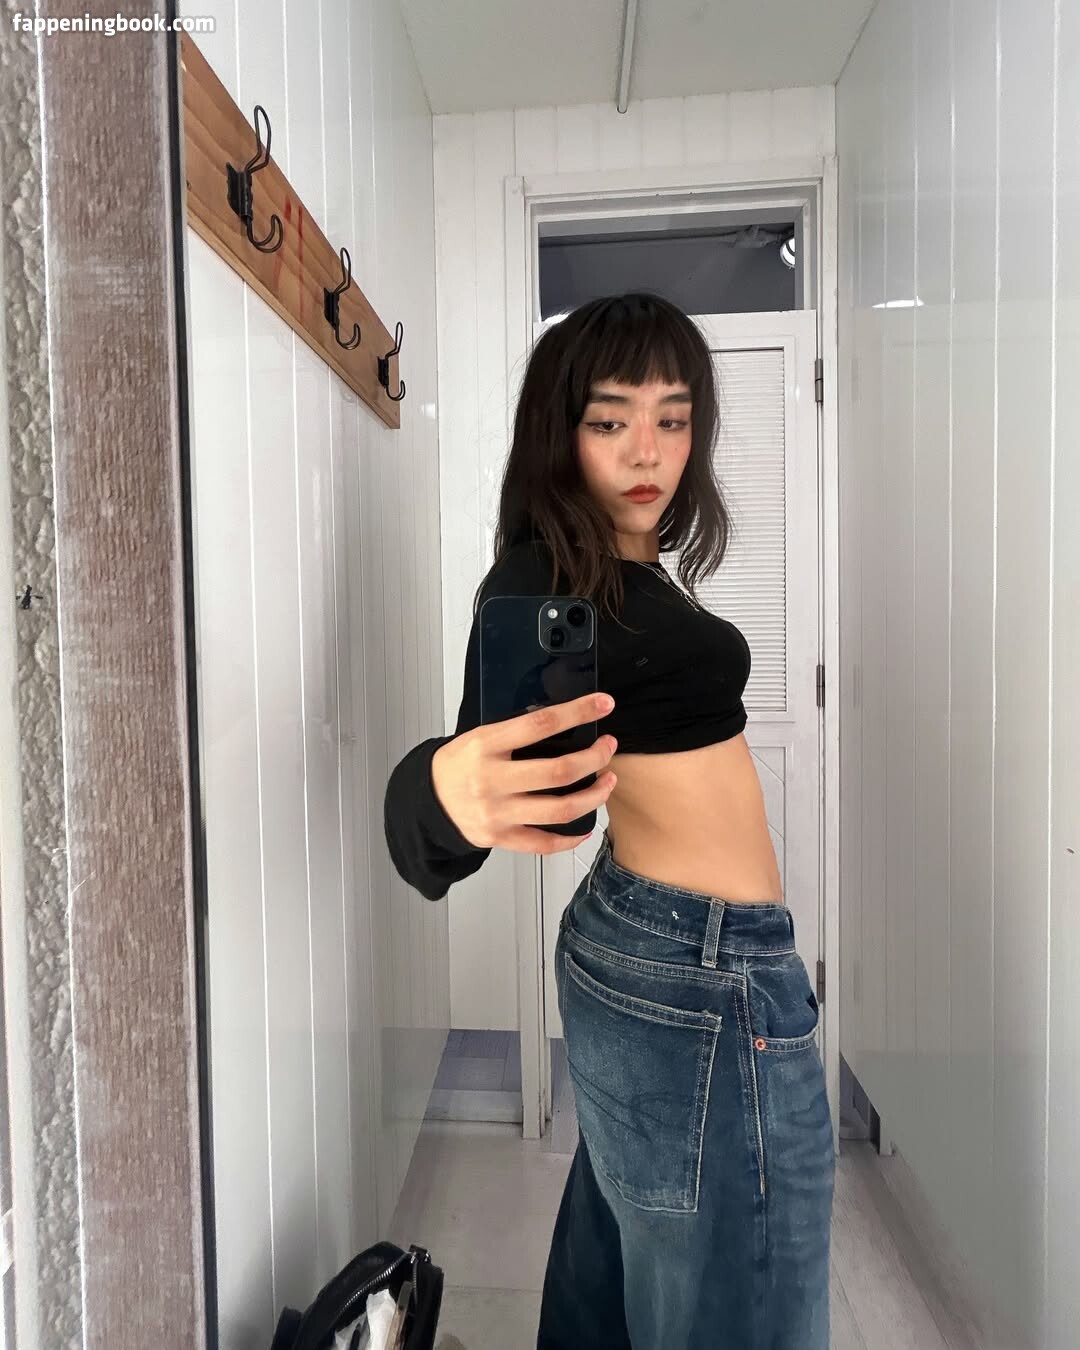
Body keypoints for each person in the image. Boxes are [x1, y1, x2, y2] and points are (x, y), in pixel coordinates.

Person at [383, 292, 835, 1349]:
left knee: (628, 1262)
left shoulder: (620, 569)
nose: (648, 450)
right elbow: (453, 799)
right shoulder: (544, 574)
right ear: (562, 432)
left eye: (673, 419)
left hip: (651, 947)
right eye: (610, 419)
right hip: (701, 973)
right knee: (745, 1289)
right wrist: (439, 791)